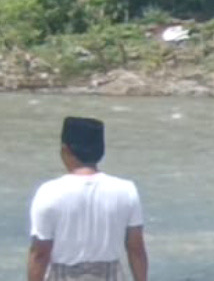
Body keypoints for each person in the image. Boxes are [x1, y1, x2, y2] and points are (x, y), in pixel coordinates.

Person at [27, 117, 148, 281]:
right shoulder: (126, 190)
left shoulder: (49, 192)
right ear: (101, 151)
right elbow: (136, 249)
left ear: (65, 150)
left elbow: (40, 254)